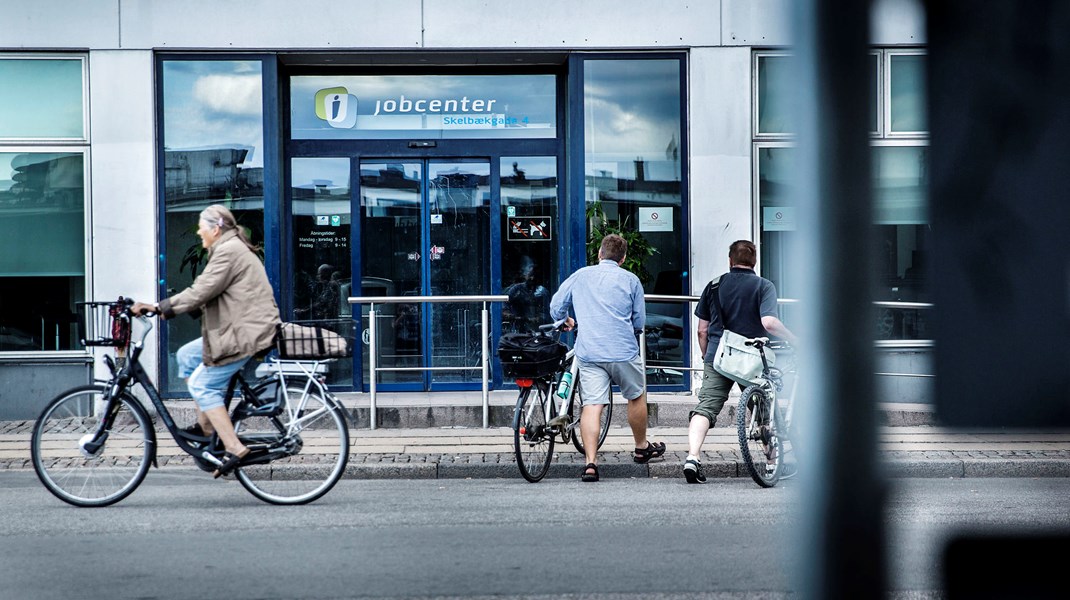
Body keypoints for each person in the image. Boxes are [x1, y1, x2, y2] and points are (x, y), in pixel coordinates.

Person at [132, 205, 281, 478]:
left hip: (245, 333)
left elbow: (201, 290)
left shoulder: (229, 251)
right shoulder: (229, 247)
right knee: (187, 356)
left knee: (203, 384)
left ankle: (235, 447)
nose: (198, 231)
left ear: (215, 229)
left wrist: (158, 307)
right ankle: (208, 427)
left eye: (202, 226)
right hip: (239, 328)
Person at [549, 233, 666, 482]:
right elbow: (639, 320)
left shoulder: (580, 275)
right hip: (623, 350)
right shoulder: (631, 280)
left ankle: (591, 463)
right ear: (622, 258)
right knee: (636, 396)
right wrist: (631, 332)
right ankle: (641, 447)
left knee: (592, 404)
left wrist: (565, 320)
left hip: (589, 351)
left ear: (600, 253)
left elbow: (557, 304)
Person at [685, 240, 797, 484]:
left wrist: (707, 355)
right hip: (753, 361)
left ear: (730, 260)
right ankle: (771, 464)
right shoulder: (763, 286)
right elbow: (769, 323)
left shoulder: (714, 285)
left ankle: (692, 457)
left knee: (705, 407)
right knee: (764, 411)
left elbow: (702, 331)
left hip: (719, 357)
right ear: (754, 262)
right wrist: (794, 339)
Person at [504, 255, 549, 332]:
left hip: (537, 331)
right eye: (530, 274)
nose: (532, 278)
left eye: (534, 275)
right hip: (518, 331)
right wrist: (519, 318)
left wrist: (538, 318)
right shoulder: (514, 290)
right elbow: (501, 310)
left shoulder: (542, 291)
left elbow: (548, 313)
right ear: (522, 273)